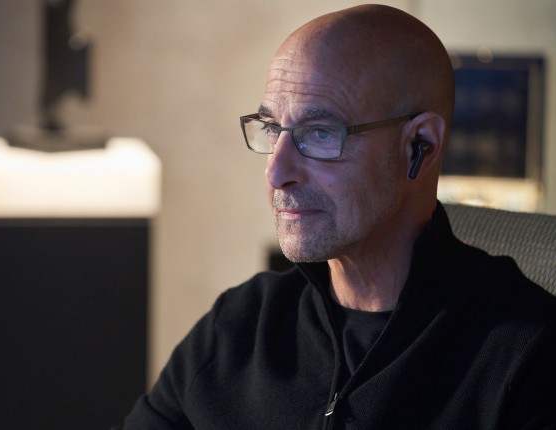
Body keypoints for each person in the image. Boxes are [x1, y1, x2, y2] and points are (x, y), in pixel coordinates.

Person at [120, 4, 556, 429]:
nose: (276, 172)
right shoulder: (239, 325)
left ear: (419, 146)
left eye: (320, 132)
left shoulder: (528, 355)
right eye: (272, 128)